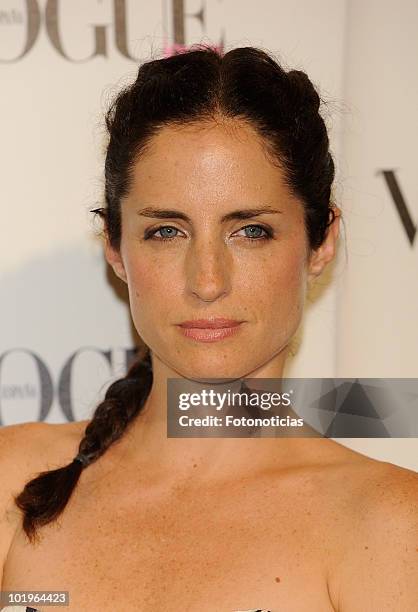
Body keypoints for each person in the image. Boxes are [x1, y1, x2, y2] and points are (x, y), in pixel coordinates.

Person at [1, 44, 417, 612]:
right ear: (116, 250)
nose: (207, 280)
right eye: (166, 231)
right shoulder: (15, 484)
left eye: (250, 231)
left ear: (321, 243)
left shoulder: (389, 523)